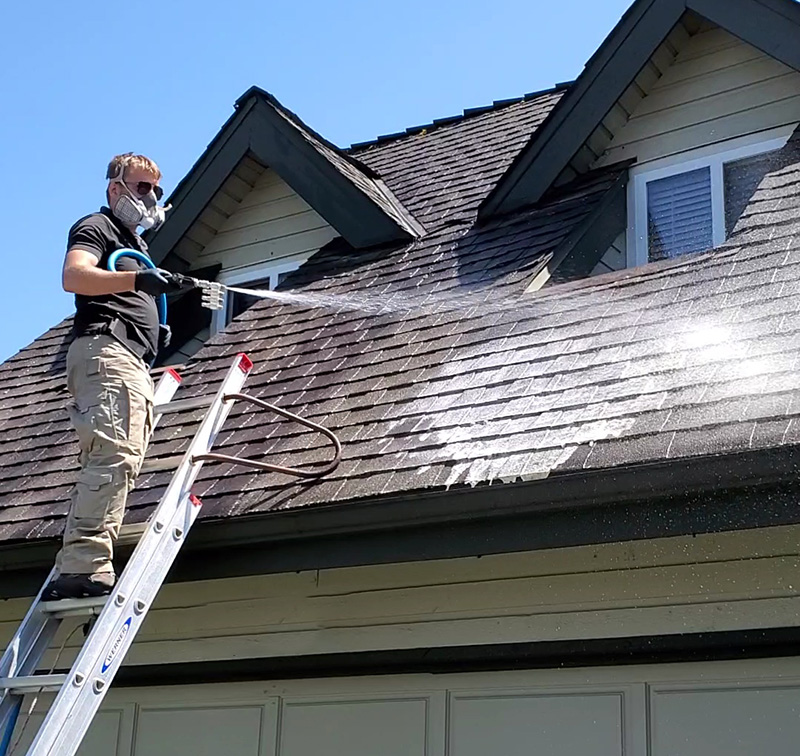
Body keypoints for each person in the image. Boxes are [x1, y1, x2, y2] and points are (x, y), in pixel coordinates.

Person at [44, 153, 180, 600]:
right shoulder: (97, 227)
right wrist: (137, 283)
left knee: (113, 459)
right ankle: (84, 568)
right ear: (115, 188)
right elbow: (75, 275)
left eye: (157, 191)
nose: (152, 198)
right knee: (114, 457)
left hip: (127, 359)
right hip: (108, 351)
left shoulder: (135, 245)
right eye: (142, 188)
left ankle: (81, 563)